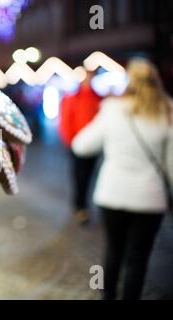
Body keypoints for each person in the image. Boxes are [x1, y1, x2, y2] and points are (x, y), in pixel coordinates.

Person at [72, 58, 173, 300]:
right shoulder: (167, 111)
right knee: (138, 258)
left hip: (113, 195)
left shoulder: (113, 109)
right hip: (150, 199)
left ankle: (108, 296)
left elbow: (81, 145)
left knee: (114, 251)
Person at [59, 70, 102, 224]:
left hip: (93, 145)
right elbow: (65, 122)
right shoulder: (72, 98)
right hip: (76, 144)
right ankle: (79, 204)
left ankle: (83, 204)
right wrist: (70, 141)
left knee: (89, 174)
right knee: (79, 175)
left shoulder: (98, 98)